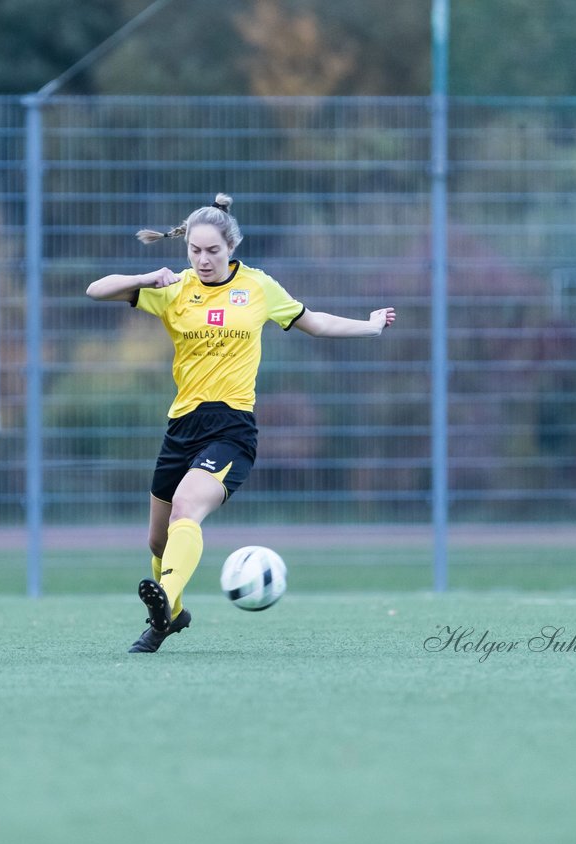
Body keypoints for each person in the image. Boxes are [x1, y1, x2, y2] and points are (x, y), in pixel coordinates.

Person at [86, 194, 395, 653]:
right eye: (195, 250)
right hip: (181, 426)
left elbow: (316, 323)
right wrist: (148, 277)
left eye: (213, 250)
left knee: (188, 507)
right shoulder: (174, 289)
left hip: (231, 428)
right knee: (157, 540)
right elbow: (97, 289)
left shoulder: (257, 286)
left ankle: (164, 605)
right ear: (185, 247)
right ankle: (173, 613)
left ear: (231, 245)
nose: (203, 259)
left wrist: (369, 326)